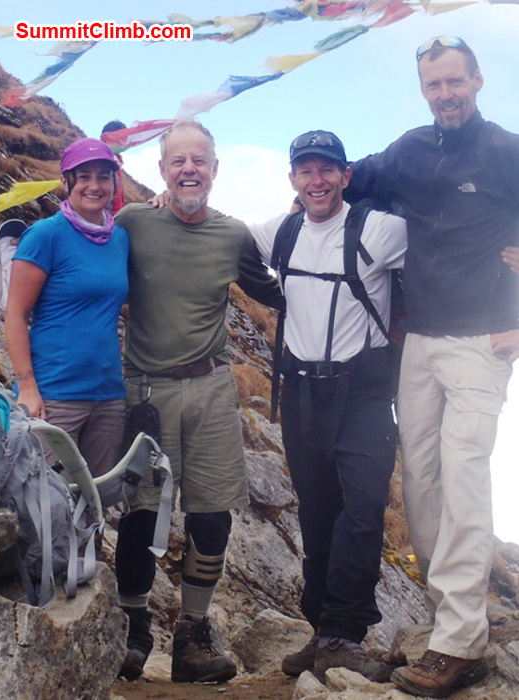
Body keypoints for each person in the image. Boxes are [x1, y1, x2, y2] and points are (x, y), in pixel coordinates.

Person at [345, 37, 519, 698]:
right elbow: (340, 178)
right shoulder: (407, 150)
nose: (444, 95)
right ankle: (451, 618)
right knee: (419, 483)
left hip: (484, 343)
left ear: (476, 80)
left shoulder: (505, 151)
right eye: (432, 85)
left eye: (453, 82)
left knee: (463, 479)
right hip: (417, 340)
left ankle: (458, 644)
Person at [113, 119, 283, 684]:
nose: (189, 169)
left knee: (211, 513)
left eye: (199, 161)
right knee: (142, 510)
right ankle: (133, 628)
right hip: (146, 388)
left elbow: (278, 291)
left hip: (211, 387)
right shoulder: (134, 221)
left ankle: (192, 633)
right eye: (177, 161)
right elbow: (88, 264)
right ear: (162, 171)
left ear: (214, 168)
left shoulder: (233, 235)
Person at [249, 131, 407, 683]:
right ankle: (322, 630)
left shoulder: (379, 230)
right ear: (293, 178)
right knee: (316, 513)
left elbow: (448, 245)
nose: (316, 181)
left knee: (362, 514)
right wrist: (161, 204)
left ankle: (344, 633)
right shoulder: (281, 232)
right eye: (305, 171)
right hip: (301, 394)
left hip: (363, 394)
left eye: (327, 170)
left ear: (345, 175)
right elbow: (222, 240)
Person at [4, 137, 129, 479]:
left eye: (103, 176)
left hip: (108, 397)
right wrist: (27, 386)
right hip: (54, 397)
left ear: (114, 182)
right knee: (47, 508)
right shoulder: (45, 235)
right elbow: (15, 314)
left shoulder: (119, 239)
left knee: (95, 507)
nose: (94, 185)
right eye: (83, 175)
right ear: (66, 181)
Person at [101, 120, 127, 215]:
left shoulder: (117, 162)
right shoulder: (99, 161)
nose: (123, 142)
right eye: (119, 138)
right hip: (106, 221)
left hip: (116, 220)